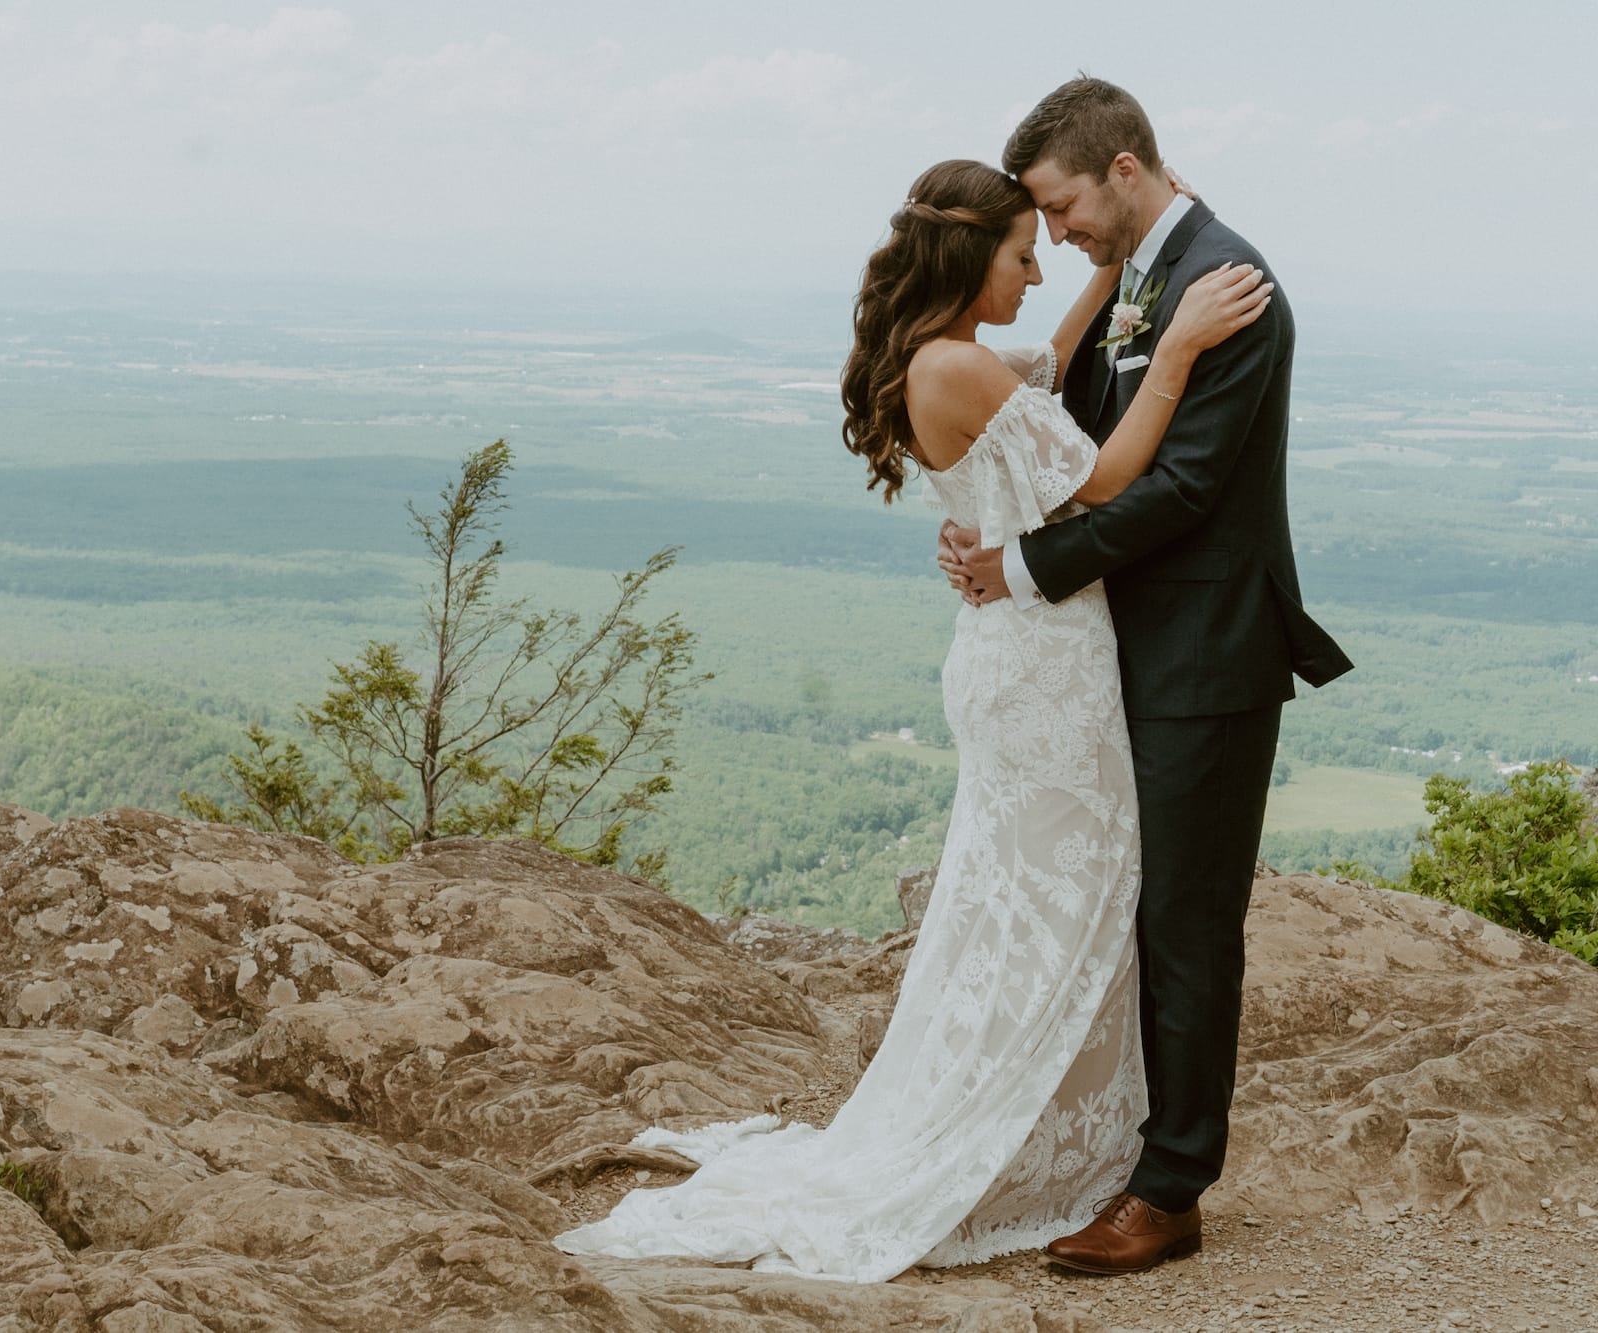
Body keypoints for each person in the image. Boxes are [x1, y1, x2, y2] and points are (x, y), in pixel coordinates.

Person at [551, 149, 1274, 1283]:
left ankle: (1054, 1136)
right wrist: (1174, 348)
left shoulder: (947, 358)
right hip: (1042, 672)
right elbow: (1113, 477)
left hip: (1017, 658)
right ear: (971, 255)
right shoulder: (962, 373)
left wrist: (1120, 271)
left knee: (1029, 907)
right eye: (1022, 254)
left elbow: (1059, 353)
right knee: (1049, 911)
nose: (1038, 271)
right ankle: (1011, 1141)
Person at [937, 78, 1353, 1275]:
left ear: (1123, 168)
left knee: (1181, 920)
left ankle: (1170, 1189)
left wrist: (1017, 566)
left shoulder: (1229, 287)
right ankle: (1109, 1145)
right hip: (1110, 648)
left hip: (1203, 657)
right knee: (1115, 903)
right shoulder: (1129, 281)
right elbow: (1068, 439)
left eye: (1061, 209)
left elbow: (1181, 491)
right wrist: (985, 513)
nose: (1054, 234)